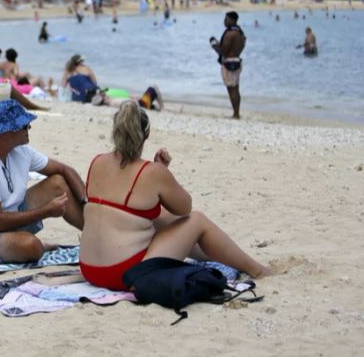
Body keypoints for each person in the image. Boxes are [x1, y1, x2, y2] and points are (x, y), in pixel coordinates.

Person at [78, 102, 271, 290]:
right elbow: (184, 208)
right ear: (146, 134)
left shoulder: (97, 162)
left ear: (115, 131)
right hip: (124, 274)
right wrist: (163, 172)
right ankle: (258, 270)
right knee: (197, 220)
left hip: (89, 269)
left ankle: (215, 253)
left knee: (159, 217)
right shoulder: (152, 172)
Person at [0, 100, 87, 264]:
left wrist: (86, 203)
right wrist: (47, 211)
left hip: (6, 218)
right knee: (32, 247)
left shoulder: (20, 150)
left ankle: (95, 235)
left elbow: (64, 170)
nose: (29, 128)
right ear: (6, 132)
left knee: (58, 183)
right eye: (25, 126)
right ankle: (20, 242)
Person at [209, 11, 245, 119]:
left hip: (229, 62)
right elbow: (241, 46)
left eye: (226, 19)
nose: (224, 22)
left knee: (231, 89)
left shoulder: (229, 34)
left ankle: (236, 114)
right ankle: (237, 113)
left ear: (232, 20)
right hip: (237, 60)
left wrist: (213, 44)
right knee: (236, 88)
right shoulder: (240, 33)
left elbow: (222, 51)